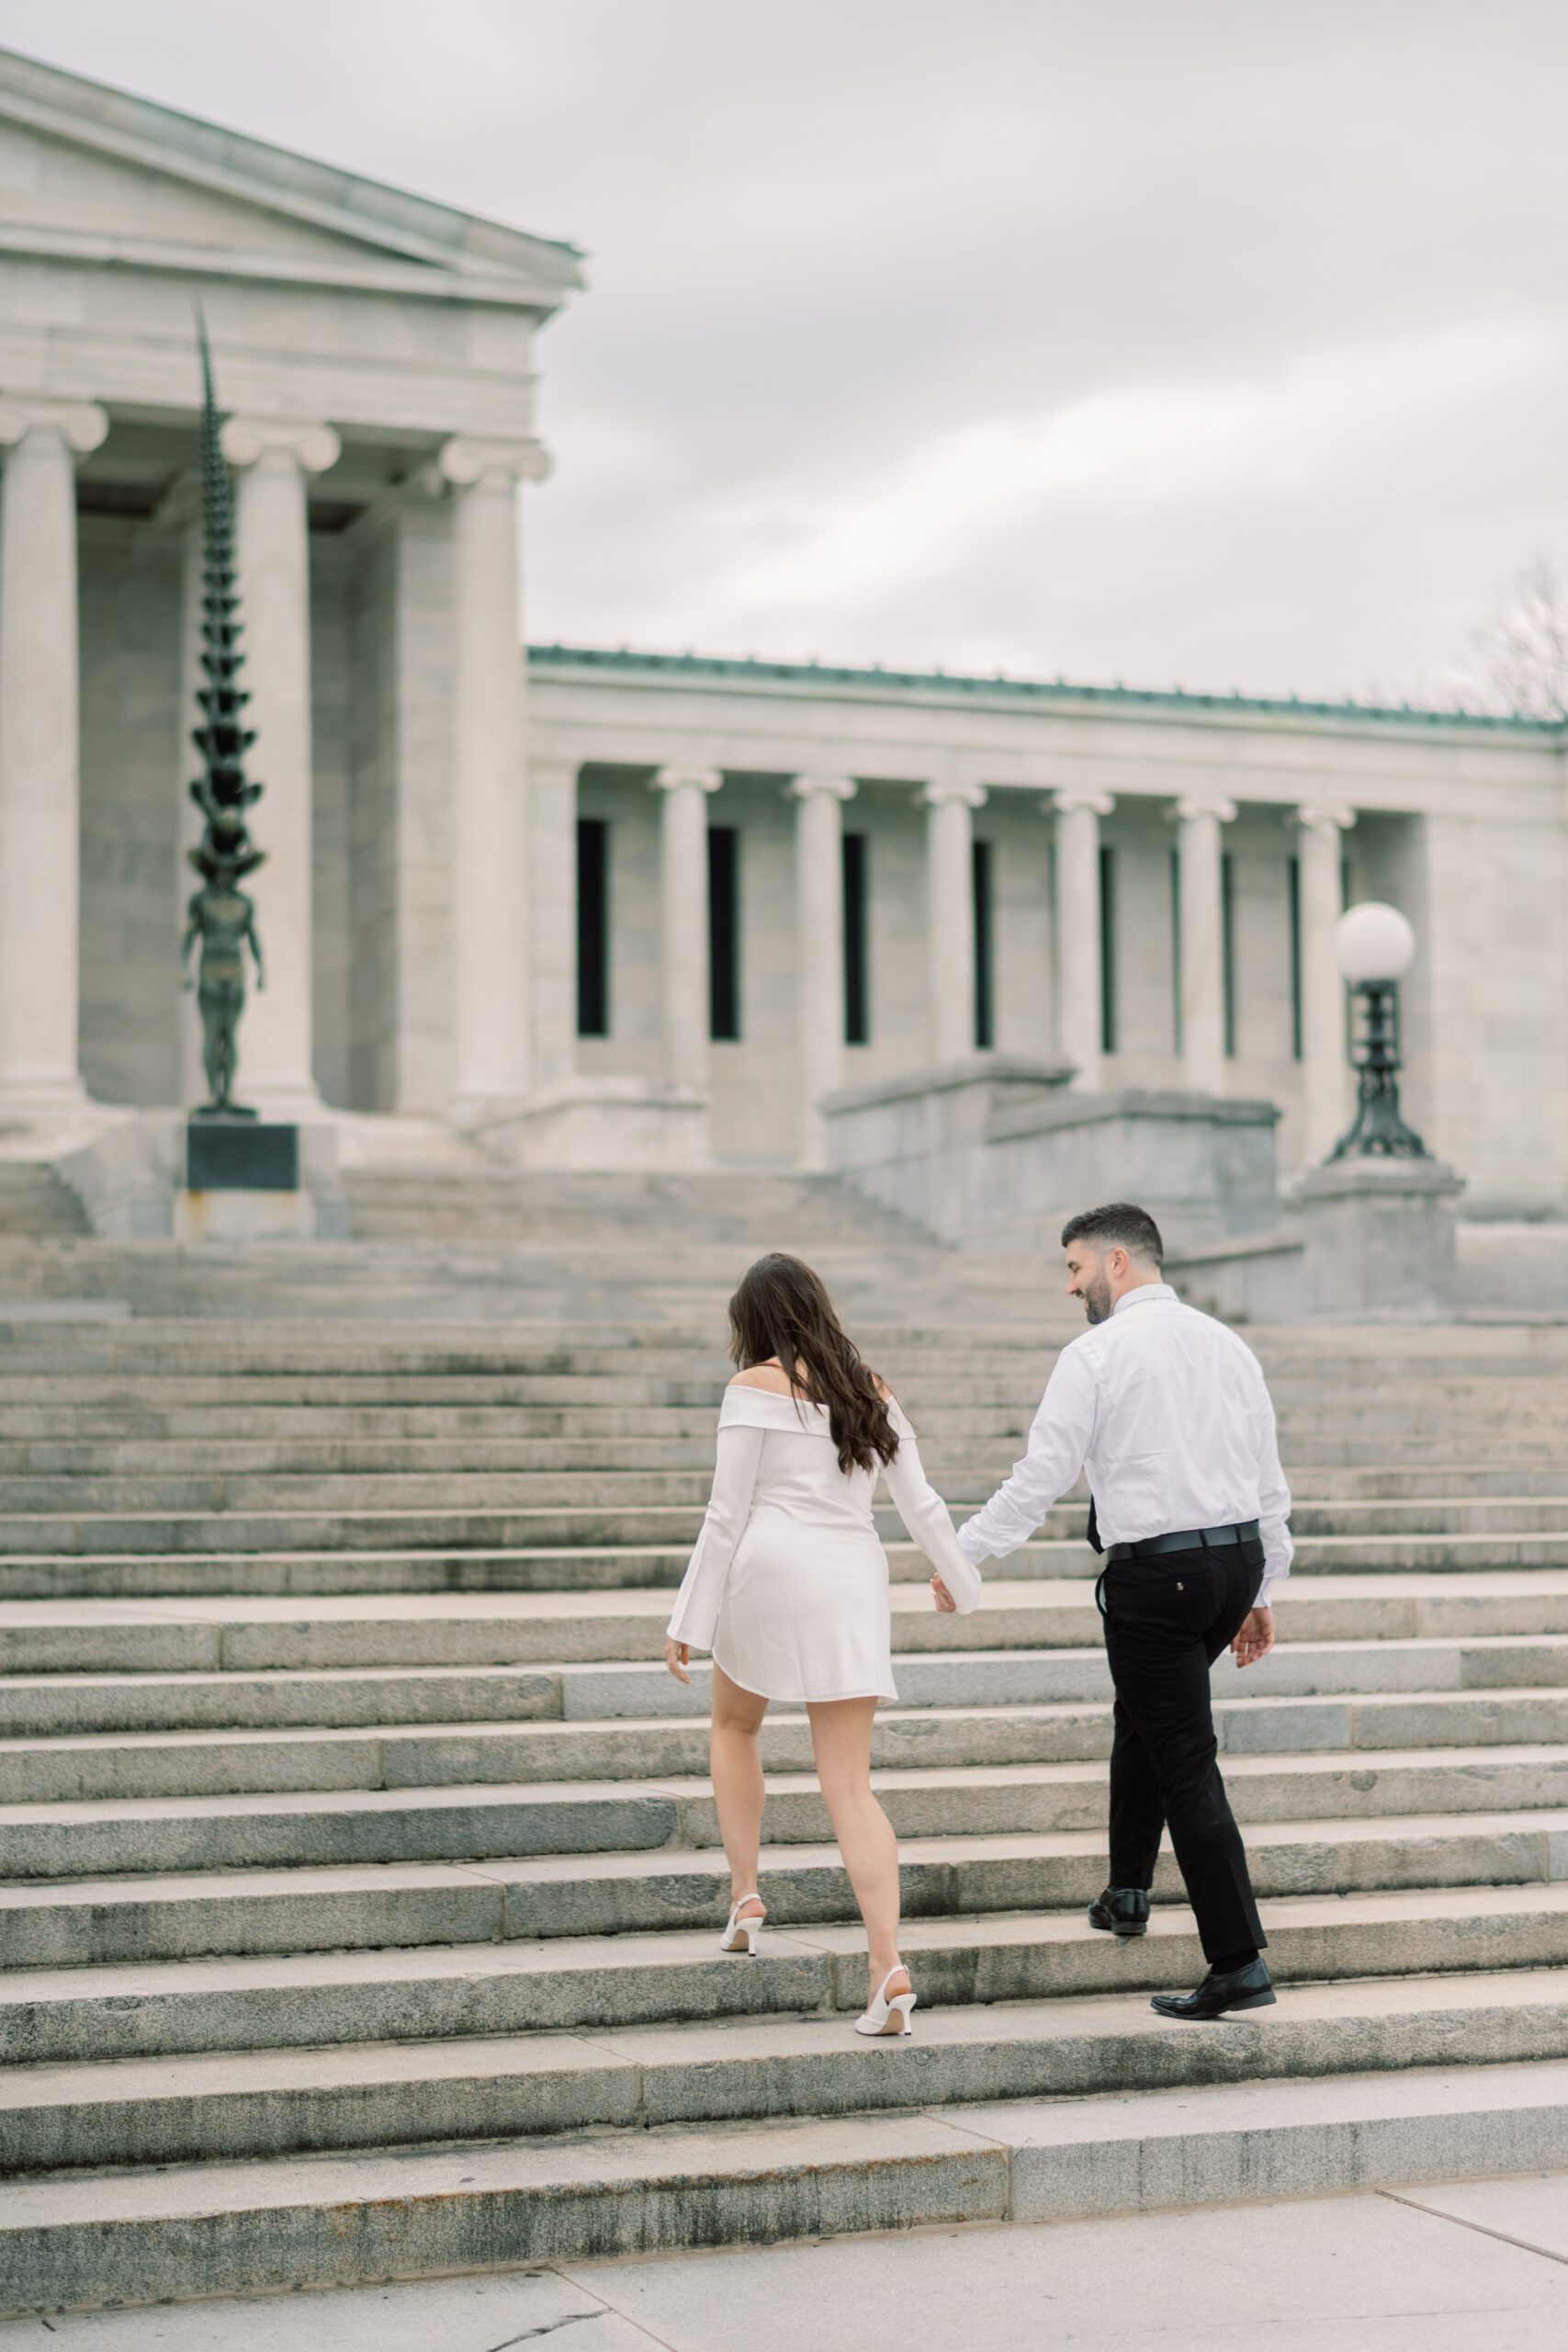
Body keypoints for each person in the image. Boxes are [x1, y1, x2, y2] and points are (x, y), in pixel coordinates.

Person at [944, 1202, 1292, 2020]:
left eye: (1075, 1268)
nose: (1071, 1286)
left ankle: (1238, 1962)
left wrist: (962, 1552)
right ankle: (1127, 1891)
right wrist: (1263, 1589)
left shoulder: (1094, 1355)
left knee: (1182, 1755)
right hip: (1231, 1564)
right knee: (1143, 1714)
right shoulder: (1228, 1345)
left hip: (1159, 1580)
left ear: (1118, 1264)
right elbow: (1267, 1477)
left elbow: (1041, 1476)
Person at [664, 1250, 982, 2038]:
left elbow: (724, 1514)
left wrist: (687, 1621)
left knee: (734, 1724)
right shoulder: (870, 1391)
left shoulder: (752, 1388)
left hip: (769, 1572)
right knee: (850, 1786)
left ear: (756, 1324)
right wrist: (962, 1584)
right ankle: (887, 1965)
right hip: (849, 1579)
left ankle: (745, 1894)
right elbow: (922, 1504)